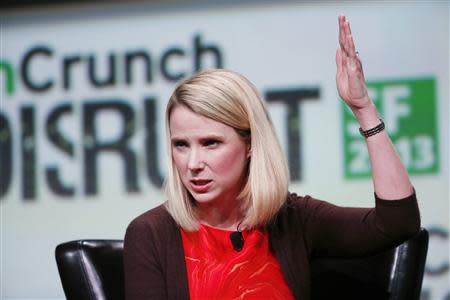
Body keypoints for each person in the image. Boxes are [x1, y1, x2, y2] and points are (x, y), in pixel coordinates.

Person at [123, 15, 420, 300]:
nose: (192, 163)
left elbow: (397, 223)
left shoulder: (291, 219)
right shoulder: (151, 233)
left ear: (250, 143)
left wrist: (364, 109)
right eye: (181, 145)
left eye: (210, 143)